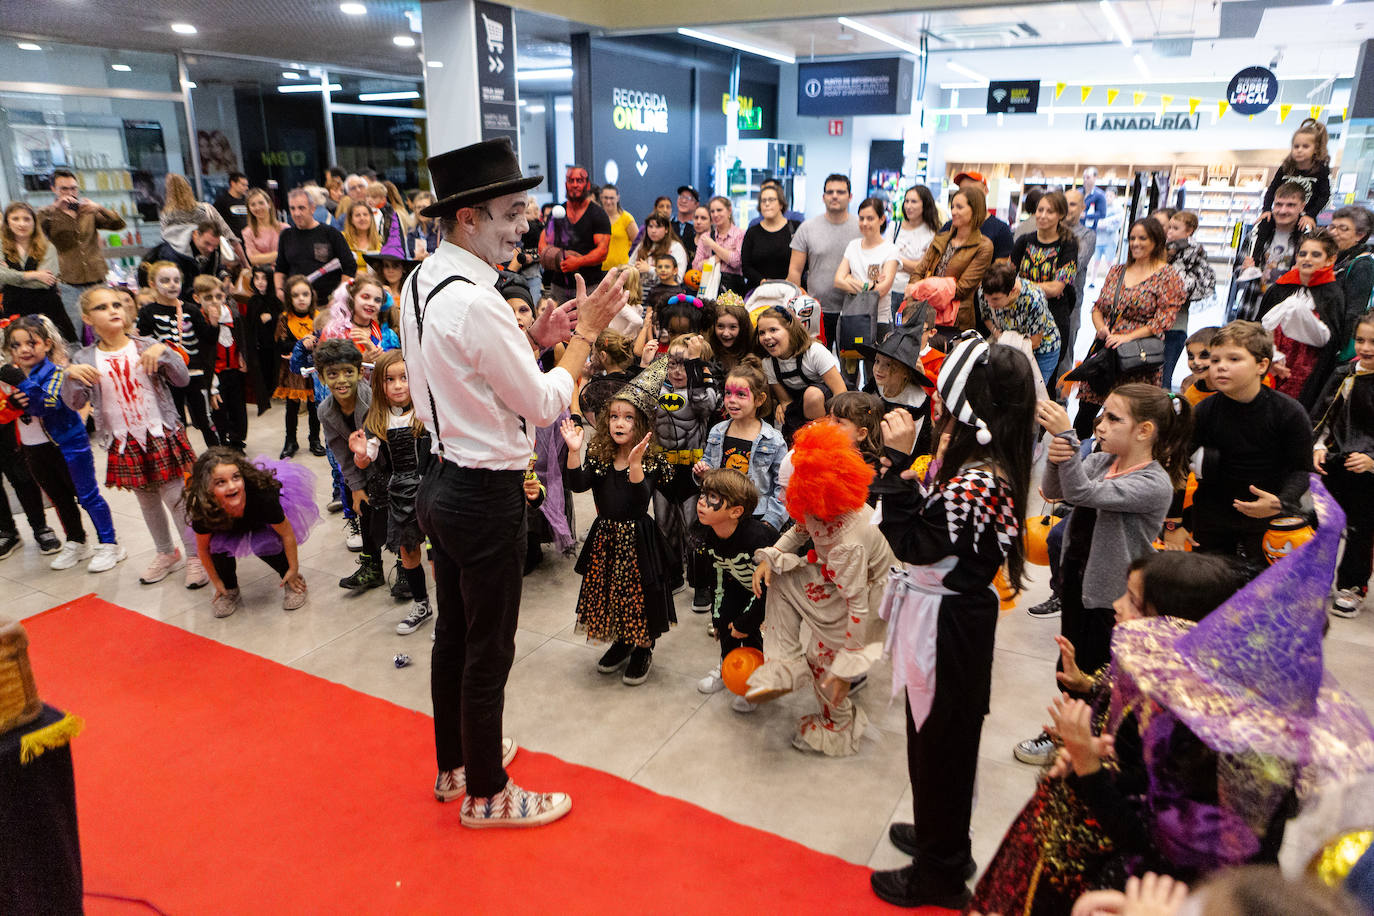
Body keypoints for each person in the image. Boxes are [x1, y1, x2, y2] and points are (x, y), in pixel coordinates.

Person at [398, 137, 628, 827]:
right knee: (488, 648)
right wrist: (583, 336)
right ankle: (489, 794)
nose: (525, 223)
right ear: (468, 218)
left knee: (455, 637)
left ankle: (456, 765)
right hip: (483, 493)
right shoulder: (478, 300)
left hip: (439, 482)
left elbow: (456, 371)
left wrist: (535, 341)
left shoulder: (422, 281)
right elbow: (544, 405)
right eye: (512, 210)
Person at [968, 552, 1253, 915]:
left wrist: (1087, 763)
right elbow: (1110, 724)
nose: (1117, 605)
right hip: (1062, 823)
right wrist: (1086, 688)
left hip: (1092, 858)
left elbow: (1146, 837)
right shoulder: (1138, 661)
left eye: (1133, 601)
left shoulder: (1183, 726)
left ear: (1175, 622)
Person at [871, 337, 1035, 909]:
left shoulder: (979, 478)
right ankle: (941, 837)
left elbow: (915, 543)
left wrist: (894, 463)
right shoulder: (984, 464)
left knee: (941, 742)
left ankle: (938, 873)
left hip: (949, 622)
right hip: (949, 613)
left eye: (947, 395)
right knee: (936, 738)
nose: (936, 404)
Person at [1013, 386, 1190, 767]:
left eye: (1113, 418)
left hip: (1114, 594)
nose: (1101, 425)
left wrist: (1066, 437)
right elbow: (1056, 490)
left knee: (1098, 669)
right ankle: (1066, 729)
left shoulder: (1153, 483)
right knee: (1070, 662)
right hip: (1078, 579)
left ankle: (1092, 741)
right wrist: (1059, 456)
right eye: (1102, 415)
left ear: (1144, 431)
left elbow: (1084, 492)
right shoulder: (1100, 459)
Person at [746, 418, 895, 756]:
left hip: (867, 594)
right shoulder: (819, 505)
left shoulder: (847, 542)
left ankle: (839, 723)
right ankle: (784, 665)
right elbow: (801, 529)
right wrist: (773, 555)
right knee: (780, 575)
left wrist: (847, 667)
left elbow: (858, 607)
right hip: (838, 576)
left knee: (823, 657)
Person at [64, 286, 206, 588]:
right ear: (88, 317)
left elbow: (181, 379)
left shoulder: (145, 345)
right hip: (123, 438)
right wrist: (70, 375)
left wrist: (165, 351)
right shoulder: (85, 356)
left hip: (158, 431)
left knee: (176, 496)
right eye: (103, 307)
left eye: (117, 304)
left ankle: (195, 555)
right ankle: (166, 552)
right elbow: (75, 403)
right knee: (147, 499)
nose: (114, 310)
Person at [561, 359, 680, 684]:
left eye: (628, 417)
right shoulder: (599, 453)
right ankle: (623, 641)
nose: (619, 422)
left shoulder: (653, 457)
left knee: (641, 594)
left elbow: (641, 499)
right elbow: (578, 485)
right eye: (613, 416)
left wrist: (636, 464)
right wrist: (574, 452)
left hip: (639, 536)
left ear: (640, 423)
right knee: (611, 593)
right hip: (607, 535)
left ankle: (643, 647)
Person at [1166, 321, 1311, 565]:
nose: (1220, 367)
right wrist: (1174, 522)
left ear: (1261, 365)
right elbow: (1179, 465)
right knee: (1211, 594)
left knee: (1261, 594)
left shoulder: (1289, 412)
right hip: (1212, 519)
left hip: (1268, 520)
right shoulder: (1203, 412)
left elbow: (1302, 469)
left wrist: (1280, 502)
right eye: (1215, 360)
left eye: (1234, 359)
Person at [4, 315, 122, 573]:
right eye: (16, 345)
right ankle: (77, 541)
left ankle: (110, 543)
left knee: (87, 496)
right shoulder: (9, 377)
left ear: (47, 344)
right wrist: (12, 400)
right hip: (33, 448)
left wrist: (20, 383)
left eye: (31, 343)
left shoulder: (57, 373)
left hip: (68, 444)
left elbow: (48, 404)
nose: (24, 349)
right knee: (59, 498)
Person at [1074, 218, 1186, 438]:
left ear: (1156, 240)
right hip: (1106, 351)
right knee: (1085, 416)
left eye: (1142, 238)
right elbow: (1098, 307)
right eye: (1132, 238)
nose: (1136, 243)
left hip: (1137, 359)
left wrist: (1127, 337)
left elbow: (1164, 320)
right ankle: (1079, 463)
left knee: (1128, 418)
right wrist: (1101, 328)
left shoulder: (1168, 275)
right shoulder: (1117, 271)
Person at [349, 350, 434, 634]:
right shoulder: (377, 422)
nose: (398, 385)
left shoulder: (428, 414)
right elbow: (366, 458)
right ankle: (421, 603)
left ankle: (450, 613)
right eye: (390, 379)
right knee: (408, 553)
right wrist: (360, 455)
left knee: (439, 557)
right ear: (379, 385)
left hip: (433, 492)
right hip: (400, 494)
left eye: (404, 378)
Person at [185, 447, 319, 618]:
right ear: (207, 488)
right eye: (220, 482)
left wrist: (293, 569)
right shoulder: (204, 510)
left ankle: (291, 580)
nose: (232, 486)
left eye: (236, 477)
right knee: (218, 547)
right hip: (225, 524)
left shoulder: (262, 495)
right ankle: (229, 589)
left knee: (266, 544)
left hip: (257, 518)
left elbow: (286, 533)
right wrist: (217, 582)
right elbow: (203, 549)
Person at [693, 468, 776, 712]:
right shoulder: (709, 534)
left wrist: (746, 622)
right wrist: (717, 616)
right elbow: (717, 576)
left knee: (748, 633)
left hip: (770, 592)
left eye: (713, 498)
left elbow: (767, 590)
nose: (702, 502)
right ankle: (727, 667)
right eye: (702, 494)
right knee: (726, 623)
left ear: (736, 511)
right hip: (737, 584)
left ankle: (756, 683)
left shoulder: (756, 538)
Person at [652, 334, 721, 612]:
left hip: (692, 472)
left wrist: (696, 366)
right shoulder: (659, 388)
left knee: (696, 532)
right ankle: (673, 574)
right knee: (663, 527)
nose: (676, 370)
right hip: (663, 469)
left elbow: (704, 404)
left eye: (684, 364)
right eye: (672, 364)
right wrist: (647, 366)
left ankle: (701, 584)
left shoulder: (704, 390)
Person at [1313, 312, 1374, 618]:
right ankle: (1317, 578)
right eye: (1360, 340)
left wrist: (1372, 460)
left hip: (1368, 473)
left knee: (1361, 531)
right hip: (1335, 463)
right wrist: (1318, 445)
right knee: (1324, 523)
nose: (1366, 347)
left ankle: (1352, 585)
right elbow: (1325, 414)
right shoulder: (1343, 373)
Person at [313, 338, 386, 592]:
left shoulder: (374, 399)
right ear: (322, 377)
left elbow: (385, 444)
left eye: (348, 372)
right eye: (332, 374)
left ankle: (405, 568)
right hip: (360, 466)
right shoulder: (325, 411)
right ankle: (372, 566)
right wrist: (356, 487)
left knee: (395, 517)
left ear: (360, 372)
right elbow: (341, 453)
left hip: (389, 465)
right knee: (363, 508)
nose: (341, 380)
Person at [693, 356, 786, 532]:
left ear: (759, 399)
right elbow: (708, 471)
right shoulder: (717, 431)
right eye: (728, 393)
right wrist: (702, 473)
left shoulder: (773, 439)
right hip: (721, 514)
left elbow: (782, 487)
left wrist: (771, 522)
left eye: (741, 394)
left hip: (757, 516)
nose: (732, 400)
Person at [1258, 230, 1345, 409]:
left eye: (1316, 255)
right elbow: (1260, 327)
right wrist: (1272, 356)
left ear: (1330, 260)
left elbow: (1332, 340)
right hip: (1272, 362)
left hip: (1307, 370)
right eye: (1303, 254)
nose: (1307, 259)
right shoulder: (1281, 287)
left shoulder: (1332, 294)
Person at [137, 260, 219, 448]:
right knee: (176, 420)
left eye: (176, 280)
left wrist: (214, 323)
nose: (172, 284)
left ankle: (217, 453)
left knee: (204, 418)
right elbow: (144, 343)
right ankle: (183, 461)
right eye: (165, 281)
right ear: (152, 284)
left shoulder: (190, 309)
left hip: (195, 373)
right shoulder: (148, 312)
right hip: (167, 377)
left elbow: (208, 339)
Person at [39, 168, 127, 335]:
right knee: (75, 330)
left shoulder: (88, 210)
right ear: (53, 189)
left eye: (73, 188)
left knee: (103, 327)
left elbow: (118, 224)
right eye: (63, 189)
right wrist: (54, 208)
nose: (69, 192)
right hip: (69, 282)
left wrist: (99, 207)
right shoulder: (49, 214)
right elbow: (35, 229)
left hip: (97, 278)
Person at [1009, 190, 1079, 389]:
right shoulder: (1023, 241)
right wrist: (1034, 287)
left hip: (1054, 320)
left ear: (1061, 215)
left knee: (1043, 385)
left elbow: (1057, 288)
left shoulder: (1068, 244)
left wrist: (1022, 285)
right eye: (1040, 210)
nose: (1043, 215)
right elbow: (1008, 280)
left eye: (1050, 211)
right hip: (1022, 319)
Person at [909, 185, 995, 333]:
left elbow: (961, 289)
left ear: (975, 210)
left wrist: (918, 289)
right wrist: (915, 292)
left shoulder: (983, 246)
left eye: (960, 207)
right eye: (953, 206)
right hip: (924, 315)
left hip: (954, 320)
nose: (954, 211)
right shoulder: (941, 239)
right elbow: (919, 272)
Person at [755, 304, 846, 441]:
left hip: (829, 407)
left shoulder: (814, 352)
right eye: (762, 332)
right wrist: (782, 406)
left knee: (812, 395)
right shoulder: (768, 364)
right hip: (798, 407)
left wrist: (835, 422)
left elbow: (841, 392)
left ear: (790, 329)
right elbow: (786, 400)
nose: (767, 337)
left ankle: (822, 438)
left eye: (773, 330)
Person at [787, 174, 860, 345]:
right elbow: (795, 270)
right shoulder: (807, 228)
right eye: (830, 192)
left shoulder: (861, 228)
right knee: (815, 365)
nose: (835, 195)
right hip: (816, 311)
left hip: (852, 310)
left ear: (850, 197)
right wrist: (796, 303)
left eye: (840, 192)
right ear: (823, 197)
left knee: (850, 369)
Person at [1, 201, 79, 341]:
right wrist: (33, 275)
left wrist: (10, 276)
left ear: (34, 222)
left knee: (60, 354)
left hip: (48, 309)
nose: (22, 224)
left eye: (26, 219)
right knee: (21, 354)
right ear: (7, 222)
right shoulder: (1, 247)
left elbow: (45, 283)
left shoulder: (48, 246)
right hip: (14, 311)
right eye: (15, 219)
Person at [1231, 181, 1307, 322]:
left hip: (1285, 315)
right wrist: (1244, 269)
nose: (1283, 210)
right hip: (1252, 310)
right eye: (1278, 204)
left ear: (1302, 207)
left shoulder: (1307, 241)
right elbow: (1236, 272)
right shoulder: (1256, 235)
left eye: (1290, 205)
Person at [977, 260, 1061, 384]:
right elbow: (987, 317)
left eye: (995, 299)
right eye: (987, 299)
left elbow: (1035, 341)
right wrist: (997, 334)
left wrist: (1007, 349)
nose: (990, 304)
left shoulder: (1033, 299)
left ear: (1013, 291)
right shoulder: (985, 292)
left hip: (1041, 350)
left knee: (1032, 392)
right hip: (1008, 345)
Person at [192, 275, 248, 452]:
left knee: (238, 407)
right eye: (208, 298)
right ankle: (222, 441)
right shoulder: (199, 321)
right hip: (215, 373)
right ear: (197, 298)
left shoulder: (232, 315)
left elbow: (240, 338)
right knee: (219, 410)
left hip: (234, 370)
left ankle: (237, 439)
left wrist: (242, 356)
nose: (214, 302)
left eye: (218, 296)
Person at [1162, 211, 1218, 388]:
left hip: (1174, 323)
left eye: (1175, 228)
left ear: (1189, 231)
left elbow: (1181, 282)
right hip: (1168, 322)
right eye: (1169, 227)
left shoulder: (1187, 250)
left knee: (1164, 376)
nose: (1170, 231)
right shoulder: (1169, 248)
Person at [834, 196, 901, 343]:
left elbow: (881, 291)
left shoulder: (891, 250)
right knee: (849, 366)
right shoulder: (853, 246)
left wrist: (851, 280)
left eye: (870, 218)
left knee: (876, 366)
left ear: (882, 219)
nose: (864, 223)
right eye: (861, 218)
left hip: (880, 320)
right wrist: (869, 285)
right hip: (852, 316)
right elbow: (838, 281)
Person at [540, 165, 611, 303]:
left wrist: (578, 261)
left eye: (579, 180)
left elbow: (602, 252)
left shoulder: (597, 214)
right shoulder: (557, 212)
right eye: (571, 180)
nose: (575, 185)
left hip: (589, 286)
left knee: (590, 324)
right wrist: (557, 258)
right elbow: (543, 246)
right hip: (559, 286)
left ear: (587, 184)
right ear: (566, 184)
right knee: (558, 324)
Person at [274, 188, 355, 304]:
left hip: (327, 303)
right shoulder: (286, 235)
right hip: (296, 304)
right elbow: (280, 268)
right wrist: (279, 290)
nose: (296, 213)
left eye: (301, 208)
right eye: (292, 208)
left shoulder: (331, 233)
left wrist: (339, 295)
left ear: (312, 208)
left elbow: (350, 266)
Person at [273, 275, 322, 458]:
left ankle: (315, 440)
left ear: (312, 296)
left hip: (313, 369)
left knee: (314, 406)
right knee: (291, 407)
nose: (301, 298)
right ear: (289, 298)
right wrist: (302, 343)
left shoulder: (318, 318)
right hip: (292, 370)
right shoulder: (285, 318)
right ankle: (290, 441)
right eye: (296, 295)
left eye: (305, 294)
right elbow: (281, 343)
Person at [159, 173, 245, 269]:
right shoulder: (206, 209)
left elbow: (165, 242)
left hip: (180, 266)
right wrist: (246, 265)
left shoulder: (165, 215)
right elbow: (231, 238)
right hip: (211, 265)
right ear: (189, 189)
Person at [1260, 118, 1331, 232]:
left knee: (1304, 234)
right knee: (1264, 227)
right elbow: (1272, 189)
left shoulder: (1321, 170)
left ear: (1316, 149)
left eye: (1305, 146)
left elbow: (1324, 196)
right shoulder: (1286, 167)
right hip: (1281, 214)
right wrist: (1266, 209)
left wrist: (1310, 215)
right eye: (1296, 146)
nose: (1299, 150)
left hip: (1304, 217)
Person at [138, 220, 226, 301]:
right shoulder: (172, 253)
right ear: (195, 234)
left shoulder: (212, 249)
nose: (210, 249)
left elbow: (214, 270)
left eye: (215, 246)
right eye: (207, 243)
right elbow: (174, 289)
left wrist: (225, 276)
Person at [891, 185, 939, 319]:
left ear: (925, 204)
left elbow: (922, 268)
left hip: (913, 294)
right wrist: (907, 264)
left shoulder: (931, 233)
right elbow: (885, 260)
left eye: (914, 201)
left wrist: (897, 260)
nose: (908, 206)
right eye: (906, 201)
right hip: (890, 290)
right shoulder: (894, 227)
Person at [741, 184, 799, 294]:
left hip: (790, 292)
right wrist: (763, 282)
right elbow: (746, 267)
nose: (767, 204)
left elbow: (803, 263)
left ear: (781, 204)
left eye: (771, 200)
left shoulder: (795, 228)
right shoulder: (752, 232)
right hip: (758, 293)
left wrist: (788, 282)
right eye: (763, 201)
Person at [943, 171, 1013, 260]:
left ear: (986, 190)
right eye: (962, 190)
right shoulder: (949, 227)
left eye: (971, 190)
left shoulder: (1000, 230)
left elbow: (1000, 270)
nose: (966, 195)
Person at [1064, 188, 1098, 366]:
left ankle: (1060, 394)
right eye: (1065, 204)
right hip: (1045, 301)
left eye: (1073, 204)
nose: (1068, 209)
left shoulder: (1087, 235)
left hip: (1071, 304)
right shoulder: (1051, 231)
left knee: (1065, 353)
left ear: (1082, 207)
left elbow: (1075, 264)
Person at [242, 266, 281, 414]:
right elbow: (250, 324)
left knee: (274, 367)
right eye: (257, 278)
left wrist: (273, 317)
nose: (260, 282)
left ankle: (274, 390)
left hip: (274, 344)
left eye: (264, 278)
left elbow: (284, 317)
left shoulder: (275, 299)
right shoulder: (253, 300)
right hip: (259, 344)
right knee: (262, 369)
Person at [1330, 206, 1373, 330]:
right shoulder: (1337, 258)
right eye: (1332, 227)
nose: (1333, 233)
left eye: (1343, 229)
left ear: (1360, 235)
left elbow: (1354, 313)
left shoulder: (1362, 264)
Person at [692, 196, 745, 294]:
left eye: (719, 210)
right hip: (709, 288)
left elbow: (736, 262)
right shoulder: (705, 237)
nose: (715, 214)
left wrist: (712, 245)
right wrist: (722, 256)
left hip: (733, 289)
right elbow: (696, 267)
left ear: (729, 211)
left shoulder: (740, 234)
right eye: (712, 211)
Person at [630, 214, 688, 293]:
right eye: (650, 226)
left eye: (658, 227)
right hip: (641, 293)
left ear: (666, 229)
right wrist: (634, 269)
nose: (653, 230)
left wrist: (650, 269)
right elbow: (629, 266)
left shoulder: (675, 247)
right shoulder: (642, 245)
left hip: (665, 294)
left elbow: (678, 278)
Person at [702, 294, 753, 374]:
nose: (726, 333)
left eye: (732, 327)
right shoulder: (707, 355)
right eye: (720, 326)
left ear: (743, 328)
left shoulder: (752, 356)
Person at [598, 184, 637, 271]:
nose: (608, 201)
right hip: (599, 271)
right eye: (605, 198)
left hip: (622, 270)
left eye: (611, 198)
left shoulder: (627, 219)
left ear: (618, 198)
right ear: (601, 198)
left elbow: (639, 244)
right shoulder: (595, 218)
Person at [241, 188, 282, 269]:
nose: (257, 208)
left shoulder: (284, 228)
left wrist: (261, 257)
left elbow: (289, 255)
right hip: (261, 278)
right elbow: (252, 259)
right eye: (253, 205)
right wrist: (278, 254)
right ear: (249, 208)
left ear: (269, 204)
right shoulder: (247, 232)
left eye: (261, 203)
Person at [1180, 326, 1221, 406]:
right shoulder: (1191, 393)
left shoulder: (1235, 393)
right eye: (1191, 356)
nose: (1196, 362)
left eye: (1204, 355)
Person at [341, 201, 381, 273]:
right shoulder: (342, 239)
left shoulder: (379, 241)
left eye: (365, 214)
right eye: (357, 215)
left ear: (371, 218)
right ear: (351, 220)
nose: (362, 218)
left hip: (374, 282)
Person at [212, 171, 250, 239]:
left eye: (247, 185)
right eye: (243, 185)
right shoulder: (222, 201)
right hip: (232, 241)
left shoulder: (248, 200)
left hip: (248, 239)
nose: (246, 188)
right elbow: (215, 221)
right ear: (233, 183)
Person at [673, 185, 700, 254]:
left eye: (688, 198)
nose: (683, 201)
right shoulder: (668, 225)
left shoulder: (699, 227)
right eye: (681, 197)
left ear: (696, 204)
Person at [1080, 166, 1107, 231]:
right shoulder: (1078, 192)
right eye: (1084, 177)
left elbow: (1102, 214)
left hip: (1089, 230)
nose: (1085, 180)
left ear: (1095, 178)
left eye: (1088, 177)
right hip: (1076, 229)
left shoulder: (1100, 195)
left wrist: (1086, 215)